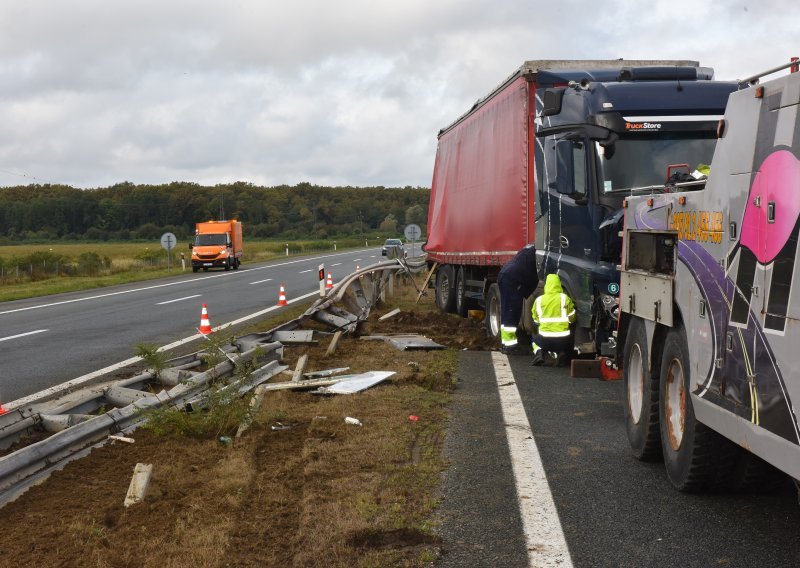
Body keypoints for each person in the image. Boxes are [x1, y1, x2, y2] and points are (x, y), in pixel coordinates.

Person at [497, 244, 539, 356]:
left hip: (507, 275)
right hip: (512, 279)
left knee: (507, 311)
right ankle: (510, 347)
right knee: (512, 312)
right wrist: (525, 291)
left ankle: (506, 343)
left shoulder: (530, 249)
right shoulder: (537, 254)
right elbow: (533, 275)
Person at [531, 273, 576, 366]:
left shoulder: (539, 300)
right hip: (563, 340)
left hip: (545, 340)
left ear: (546, 285)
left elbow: (535, 320)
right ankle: (561, 353)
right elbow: (572, 317)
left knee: (534, 339)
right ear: (559, 284)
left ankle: (539, 354)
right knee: (567, 336)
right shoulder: (564, 298)